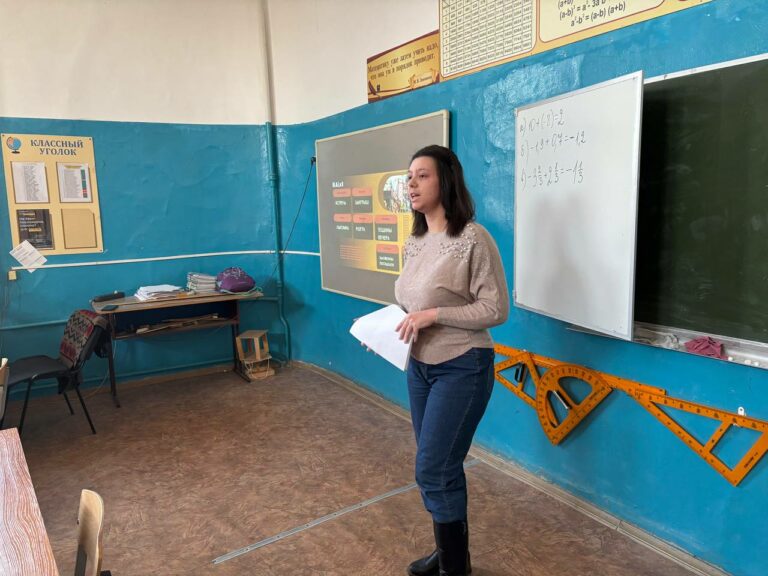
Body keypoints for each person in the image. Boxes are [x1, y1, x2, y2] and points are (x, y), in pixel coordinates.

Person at [394, 145, 509, 576]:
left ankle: (454, 567)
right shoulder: (415, 241)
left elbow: (495, 309)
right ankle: (449, 553)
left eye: (422, 175)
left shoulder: (473, 239)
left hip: (463, 365)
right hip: (420, 366)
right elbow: (411, 304)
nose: (411, 184)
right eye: (409, 176)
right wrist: (388, 333)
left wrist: (434, 315)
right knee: (438, 464)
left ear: (446, 181)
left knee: (433, 467)